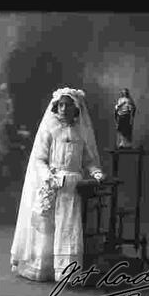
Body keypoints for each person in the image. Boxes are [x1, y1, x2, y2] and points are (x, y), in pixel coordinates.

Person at [10, 87, 105, 282]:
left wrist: (96, 172)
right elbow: (39, 159)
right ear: (55, 107)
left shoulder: (81, 133)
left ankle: (66, 272)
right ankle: (44, 268)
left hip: (73, 186)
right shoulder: (50, 130)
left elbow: (89, 160)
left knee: (68, 228)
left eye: (67, 105)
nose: (63, 109)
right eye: (60, 105)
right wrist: (48, 177)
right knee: (48, 229)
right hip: (53, 184)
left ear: (75, 109)